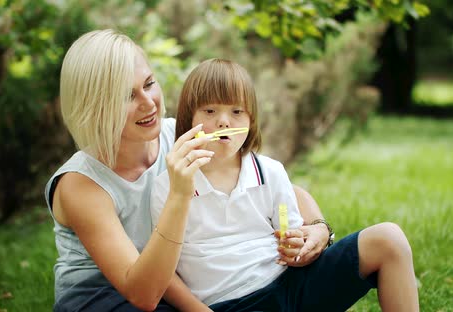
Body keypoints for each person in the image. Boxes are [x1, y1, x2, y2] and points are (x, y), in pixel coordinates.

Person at [44, 29, 329, 312]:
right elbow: (143, 295)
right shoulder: (80, 184)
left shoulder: (179, 136)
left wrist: (318, 229)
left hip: (171, 282)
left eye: (149, 84)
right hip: (104, 295)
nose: (148, 103)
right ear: (94, 106)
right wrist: (180, 194)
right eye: (127, 96)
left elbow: (272, 185)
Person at [150, 58, 420, 311]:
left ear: (251, 120)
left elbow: (295, 242)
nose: (224, 121)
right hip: (227, 304)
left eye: (236, 111)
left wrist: (300, 248)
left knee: (389, 238)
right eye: (210, 110)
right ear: (189, 119)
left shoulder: (271, 172)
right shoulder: (170, 186)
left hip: (290, 287)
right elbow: (165, 272)